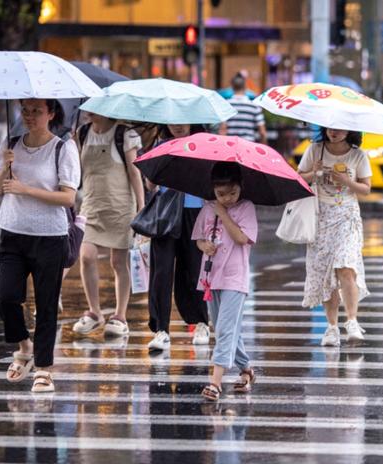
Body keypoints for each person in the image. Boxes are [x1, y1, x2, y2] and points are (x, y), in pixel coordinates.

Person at [0, 99, 80, 393]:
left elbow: (68, 198)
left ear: (51, 114)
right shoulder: (11, 143)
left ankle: (44, 369)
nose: (29, 116)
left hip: (49, 236)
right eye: (25, 110)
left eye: (36, 111)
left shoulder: (62, 148)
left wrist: (25, 189)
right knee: (5, 298)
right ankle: (24, 346)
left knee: (46, 304)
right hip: (13, 232)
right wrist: (5, 167)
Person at [71, 112, 146, 337]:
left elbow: (134, 172)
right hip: (91, 205)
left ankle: (120, 316)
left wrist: (142, 208)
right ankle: (94, 312)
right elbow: (77, 171)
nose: (88, 111)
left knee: (118, 262)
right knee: (85, 256)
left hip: (120, 206)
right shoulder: (82, 133)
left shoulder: (125, 134)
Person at [297, 128, 371, 347]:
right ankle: (331, 327)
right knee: (326, 273)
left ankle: (352, 321)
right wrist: (315, 173)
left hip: (348, 217)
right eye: (330, 128)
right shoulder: (315, 150)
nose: (334, 132)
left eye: (339, 129)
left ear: (349, 130)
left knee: (346, 267)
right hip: (320, 219)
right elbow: (298, 178)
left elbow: (366, 189)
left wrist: (346, 180)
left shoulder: (358, 155)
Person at [194, 162, 257, 401]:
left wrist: (223, 214)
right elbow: (198, 239)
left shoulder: (246, 207)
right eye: (221, 194)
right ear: (213, 190)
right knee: (226, 328)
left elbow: (242, 238)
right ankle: (246, 369)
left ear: (240, 188)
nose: (228, 198)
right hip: (211, 277)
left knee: (225, 329)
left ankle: (215, 382)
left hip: (234, 277)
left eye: (233, 193)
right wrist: (204, 245)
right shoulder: (207, 208)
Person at [146, 124, 210, 351]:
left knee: (194, 270)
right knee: (161, 272)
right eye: (173, 121)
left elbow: (210, 183)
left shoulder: (204, 146)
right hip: (166, 213)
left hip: (195, 213)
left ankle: (201, 322)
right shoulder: (161, 145)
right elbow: (151, 184)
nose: (178, 126)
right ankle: (160, 329)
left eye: (183, 120)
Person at [219, 73, 267, 144]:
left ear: (232, 87)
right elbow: (262, 132)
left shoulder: (226, 105)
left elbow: (223, 130)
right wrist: (264, 145)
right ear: (245, 87)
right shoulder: (254, 106)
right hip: (248, 144)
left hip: (231, 145)